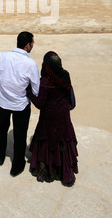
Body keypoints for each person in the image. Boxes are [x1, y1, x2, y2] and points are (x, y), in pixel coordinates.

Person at [0, 32, 40, 177]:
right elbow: (36, 90)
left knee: (1, 128)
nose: (33, 46)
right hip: (20, 105)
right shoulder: (30, 64)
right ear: (28, 45)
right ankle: (17, 166)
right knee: (20, 134)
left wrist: (4, 82)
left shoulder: (1, 56)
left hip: (2, 102)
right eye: (32, 43)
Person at [26, 51, 78, 186]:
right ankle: (66, 173)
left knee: (48, 143)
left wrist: (29, 92)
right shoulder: (65, 75)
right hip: (63, 116)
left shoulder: (45, 81)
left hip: (49, 118)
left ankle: (49, 171)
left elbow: (39, 103)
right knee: (63, 142)